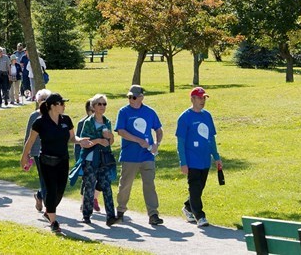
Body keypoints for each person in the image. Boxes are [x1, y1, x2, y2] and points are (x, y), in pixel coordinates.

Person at [21, 93, 91, 233]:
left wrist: (80, 140)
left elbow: (72, 137)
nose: (64, 106)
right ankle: (54, 222)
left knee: (60, 191)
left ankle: (49, 211)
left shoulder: (66, 120)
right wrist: (24, 157)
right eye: (61, 103)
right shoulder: (40, 122)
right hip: (46, 161)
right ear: (53, 106)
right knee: (52, 191)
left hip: (63, 160)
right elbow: (31, 140)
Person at [114, 85, 164, 226]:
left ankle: (153, 214)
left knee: (149, 184)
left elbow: (159, 130)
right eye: (129, 97)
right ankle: (121, 211)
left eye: (134, 97)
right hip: (130, 155)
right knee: (125, 184)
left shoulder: (150, 112)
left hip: (147, 155)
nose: (131, 99)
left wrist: (156, 143)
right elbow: (121, 131)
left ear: (141, 97)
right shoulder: (124, 112)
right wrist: (138, 140)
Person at [176, 87, 222, 227]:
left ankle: (188, 207)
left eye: (204, 98)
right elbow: (181, 142)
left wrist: (217, 157)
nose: (202, 101)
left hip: (205, 159)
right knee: (195, 187)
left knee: (199, 188)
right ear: (193, 99)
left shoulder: (207, 116)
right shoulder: (185, 117)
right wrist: (183, 162)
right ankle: (200, 216)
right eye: (200, 98)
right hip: (192, 160)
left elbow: (211, 139)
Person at [76, 94, 117, 226]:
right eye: (99, 104)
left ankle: (111, 216)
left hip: (104, 159)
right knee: (89, 186)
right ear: (93, 107)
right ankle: (86, 214)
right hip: (91, 159)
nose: (102, 106)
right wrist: (98, 140)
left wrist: (109, 136)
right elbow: (83, 142)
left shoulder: (107, 121)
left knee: (106, 187)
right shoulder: (88, 122)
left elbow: (111, 141)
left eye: (104, 104)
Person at [23, 89, 51, 212]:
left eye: (46, 100)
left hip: (51, 151)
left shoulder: (53, 115)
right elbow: (28, 136)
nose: (43, 102)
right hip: (36, 152)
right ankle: (49, 208)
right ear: (37, 102)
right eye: (41, 100)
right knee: (44, 178)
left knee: (50, 179)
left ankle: (40, 195)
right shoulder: (34, 116)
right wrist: (26, 153)